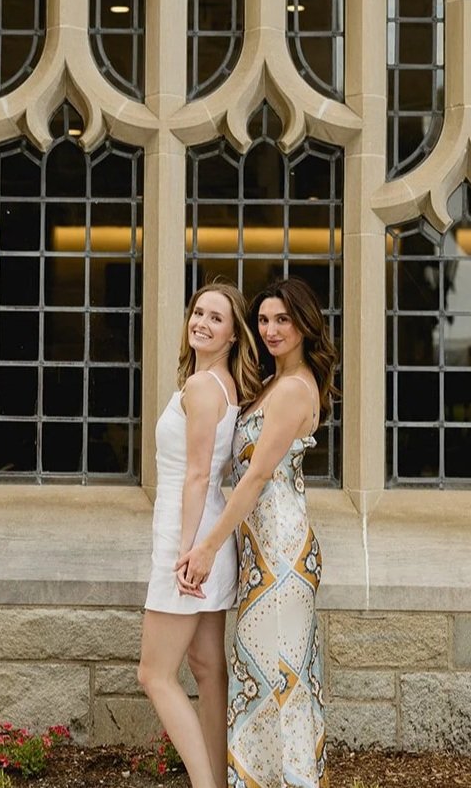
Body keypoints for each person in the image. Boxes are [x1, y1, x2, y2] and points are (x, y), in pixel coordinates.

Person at [176, 275, 338, 788]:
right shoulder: (274, 382)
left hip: (283, 552)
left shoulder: (293, 389)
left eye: (282, 320)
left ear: (305, 326)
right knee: (262, 674)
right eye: (264, 319)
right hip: (261, 551)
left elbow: (255, 479)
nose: (270, 330)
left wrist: (205, 547)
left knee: (277, 678)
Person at [138, 281, 262, 788]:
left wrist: (188, 552)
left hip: (186, 537)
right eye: (197, 312)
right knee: (208, 670)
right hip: (208, 536)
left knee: (154, 675)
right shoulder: (223, 386)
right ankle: (222, 778)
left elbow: (194, 475)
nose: (202, 323)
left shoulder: (200, 388)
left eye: (216, 318)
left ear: (233, 336)